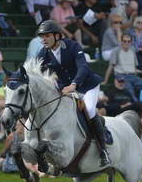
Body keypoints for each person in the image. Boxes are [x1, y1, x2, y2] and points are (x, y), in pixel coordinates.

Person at [36, 19, 111, 166]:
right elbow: (37, 70)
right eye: (42, 36)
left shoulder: (72, 46)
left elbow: (83, 67)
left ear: (57, 36)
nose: (43, 39)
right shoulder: (44, 53)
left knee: (89, 110)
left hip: (87, 86)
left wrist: (73, 85)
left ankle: (104, 151)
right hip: (67, 88)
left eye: (47, 35)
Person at [103, 33, 142, 102]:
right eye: (124, 41)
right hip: (121, 76)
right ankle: (138, 105)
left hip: (133, 75)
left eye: (128, 41)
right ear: (121, 42)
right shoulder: (116, 50)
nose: (126, 43)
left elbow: (134, 66)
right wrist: (105, 81)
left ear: (131, 42)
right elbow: (111, 66)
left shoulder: (132, 50)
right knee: (130, 91)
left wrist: (140, 73)